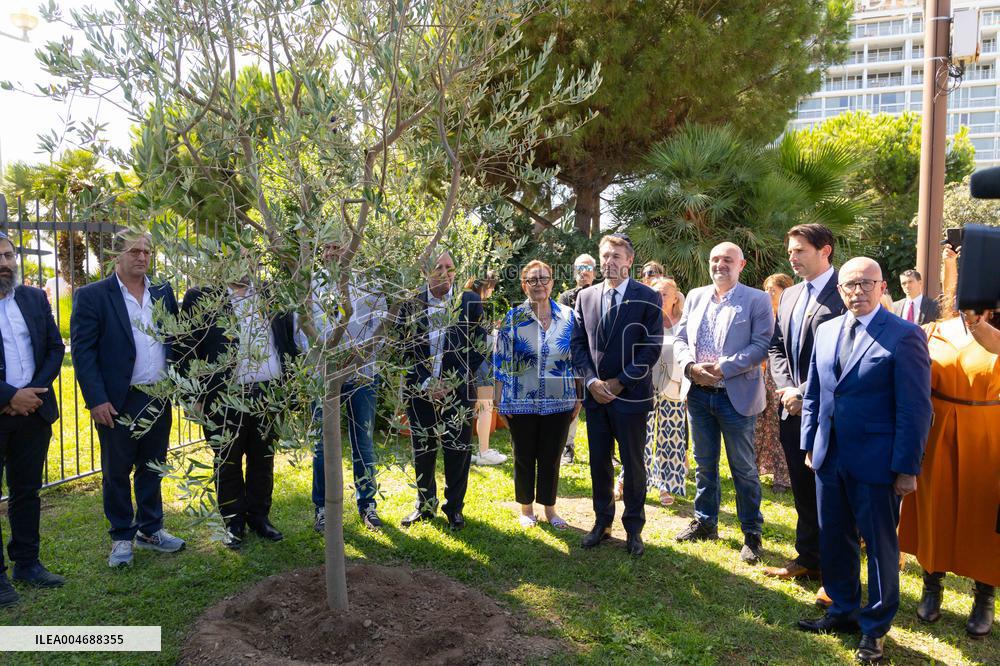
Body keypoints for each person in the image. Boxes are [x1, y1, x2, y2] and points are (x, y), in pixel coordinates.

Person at [797, 257, 932, 664]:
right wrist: (809, 444)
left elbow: (915, 408)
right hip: (829, 455)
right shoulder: (826, 331)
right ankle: (842, 608)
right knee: (834, 535)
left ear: (881, 286)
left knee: (878, 546)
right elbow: (817, 393)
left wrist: (908, 467)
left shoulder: (905, 335)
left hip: (877, 461)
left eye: (865, 283)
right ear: (839, 290)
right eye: (849, 285)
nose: (856, 291)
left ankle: (875, 627)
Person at [898, 246, 999, 639]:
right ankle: (932, 586)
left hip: (988, 429)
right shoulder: (932, 330)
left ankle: (984, 597)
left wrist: (980, 323)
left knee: (983, 512)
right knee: (933, 505)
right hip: (937, 428)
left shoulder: (996, 333)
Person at [71, 230, 186, 567]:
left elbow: (173, 341)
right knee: (117, 471)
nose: (141, 257)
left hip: (157, 395)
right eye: (134, 251)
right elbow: (83, 352)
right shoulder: (94, 296)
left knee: (153, 466)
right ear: (115, 256)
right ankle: (122, 536)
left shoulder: (163, 292)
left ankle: (151, 530)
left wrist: (178, 384)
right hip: (118, 400)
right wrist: (96, 400)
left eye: (147, 251)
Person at [180, 261, 299, 550]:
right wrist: (193, 396)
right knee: (228, 460)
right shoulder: (202, 297)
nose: (242, 264)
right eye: (233, 256)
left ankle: (259, 516)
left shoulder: (273, 292)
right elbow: (186, 347)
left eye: (247, 256)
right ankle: (233, 522)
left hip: (269, 393)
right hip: (224, 395)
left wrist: (292, 389)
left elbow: (286, 341)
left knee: (263, 458)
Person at [673, 242, 774, 564]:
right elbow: (679, 339)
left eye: (727, 260)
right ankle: (705, 522)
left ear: (741, 264)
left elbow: (762, 344)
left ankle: (751, 534)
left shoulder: (756, 299)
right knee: (704, 464)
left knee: (743, 469)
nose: (720, 264)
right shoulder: (696, 296)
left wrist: (723, 368)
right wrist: (690, 366)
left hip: (736, 397)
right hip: (699, 395)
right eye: (714, 259)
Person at [764, 223, 845, 607]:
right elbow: (777, 346)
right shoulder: (792, 294)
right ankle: (808, 558)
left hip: (829, 412)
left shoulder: (845, 293)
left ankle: (834, 573)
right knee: (800, 486)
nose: (792, 257)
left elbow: (844, 357)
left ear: (824, 251)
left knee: (830, 493)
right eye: (791, 251)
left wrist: (804, 392)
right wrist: (786, 389)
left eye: (800, 251)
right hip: (791, 409)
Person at [570, 233, 662, 557]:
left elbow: (651, 348)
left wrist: (620, 382)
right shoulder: (586, 297)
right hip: (596, 397)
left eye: (616, 257)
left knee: (634, 466)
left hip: (630, 397)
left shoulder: (648, 297)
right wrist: (592, 381)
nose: (610, 262)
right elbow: (578, 345)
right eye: (605, 256)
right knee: (598, 462)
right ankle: (602, 522)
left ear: (629, 261)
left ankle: (634, 529)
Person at [300, 239, 388, 534]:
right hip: (323, 378)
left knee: (362, 441)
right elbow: (302, 331)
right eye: (327, 247)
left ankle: (368, 506)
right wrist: (321, 361)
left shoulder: (370, 283)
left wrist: (359, 357)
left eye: (338, 246)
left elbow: (382, 326)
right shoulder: (311, 286)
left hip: (362, 375)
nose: (332, 252)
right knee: (322, 446)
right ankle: (323, 509)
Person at [0, 233, 66, 606]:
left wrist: (32, 393)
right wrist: (9, 396)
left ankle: (27, 562)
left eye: (9, 255)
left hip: (33, 410)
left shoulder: (33, 297)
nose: (5, 263)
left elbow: (55, 348)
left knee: (27, 491)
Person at [397, 250, 485, 531]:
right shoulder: (410, 305)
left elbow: (479, 347)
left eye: (450, 267)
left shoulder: (469, 302)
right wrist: (426, 382)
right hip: (420, 390)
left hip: (457, 389)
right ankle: (424, 506)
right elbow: (403, 349)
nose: (446, 273)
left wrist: (451, 380)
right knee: (422, 448)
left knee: (457, 448)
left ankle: (454, 508)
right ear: (426, 271)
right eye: (439, 267)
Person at [494, 260, 580, 529]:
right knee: (524, 455)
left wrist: (579, 397)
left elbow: (577, 359)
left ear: (552, 282)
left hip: (560, 401)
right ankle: (526, 509)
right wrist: (498, 400)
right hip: (520, 400)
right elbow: (500, 360)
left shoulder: (569, 317)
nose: (539, 284)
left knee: (552, 456)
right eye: (532, 280)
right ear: (524, 285)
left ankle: (550, 510)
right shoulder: (512, 318)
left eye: (544, 279)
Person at [641, 277, 688, 507]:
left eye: (664, 294)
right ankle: (631, 479)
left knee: (671, 436)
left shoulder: (683, 321)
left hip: (673, 387)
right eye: (656, 293)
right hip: (645, 386)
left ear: (675, 297)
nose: (660, 297)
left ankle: (666, 485)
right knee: (642, 435)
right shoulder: (644, 319)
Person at [557, 253, 596, 465]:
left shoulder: (601, 294)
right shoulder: (565, 297)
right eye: (580, 268)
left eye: (588, 268)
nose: (584, 272)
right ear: (574, 272)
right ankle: (567, 447)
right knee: (573, 401)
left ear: (594, 272)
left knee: (597, 403)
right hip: (573, 354)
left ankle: (605, 451)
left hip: (596, 356)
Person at [756, 273, 793, 494]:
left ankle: (783, 477)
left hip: (781, 376)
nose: (769, 293)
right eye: (767, 288)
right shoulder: (763, 313)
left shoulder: (791, 313)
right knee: (760, 423)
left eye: (774, 289)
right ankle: (754, 469)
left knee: (781, 424)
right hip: (760, 375)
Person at [466, 270, 506, 466]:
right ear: (486, 285)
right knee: (485, 405)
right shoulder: (476, 302)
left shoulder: (465, 299)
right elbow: (480, 338)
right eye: (493, 286)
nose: (493, 290)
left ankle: (473, 449)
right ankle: (483, 451)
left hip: (469, 361)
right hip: (480, 361)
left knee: (476, 405)